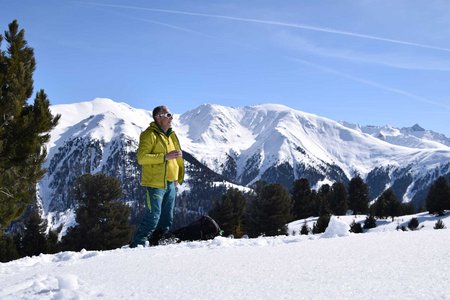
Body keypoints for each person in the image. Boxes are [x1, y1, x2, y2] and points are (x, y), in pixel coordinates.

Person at [130, 105, 185, 247]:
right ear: (157, 118)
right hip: (155, 184)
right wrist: (164, 156)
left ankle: (158, 243)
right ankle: (137, 244)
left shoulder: (171, 135)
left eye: (170, 115)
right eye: (167, 115)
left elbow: (174, 158)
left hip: (170, 183)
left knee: (167, 218)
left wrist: (177, 177)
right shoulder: (149, 135)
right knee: (153, 216)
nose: (171, 117)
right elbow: (141, 158)